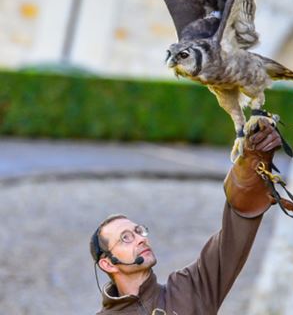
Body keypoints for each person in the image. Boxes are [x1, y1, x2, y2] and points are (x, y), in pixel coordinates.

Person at [90, 119, 282, 315]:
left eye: (138, 231)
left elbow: (230, 245)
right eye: (126, 238)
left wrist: (251, 169)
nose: (140, 239)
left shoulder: (188, 290)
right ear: (108, 263)